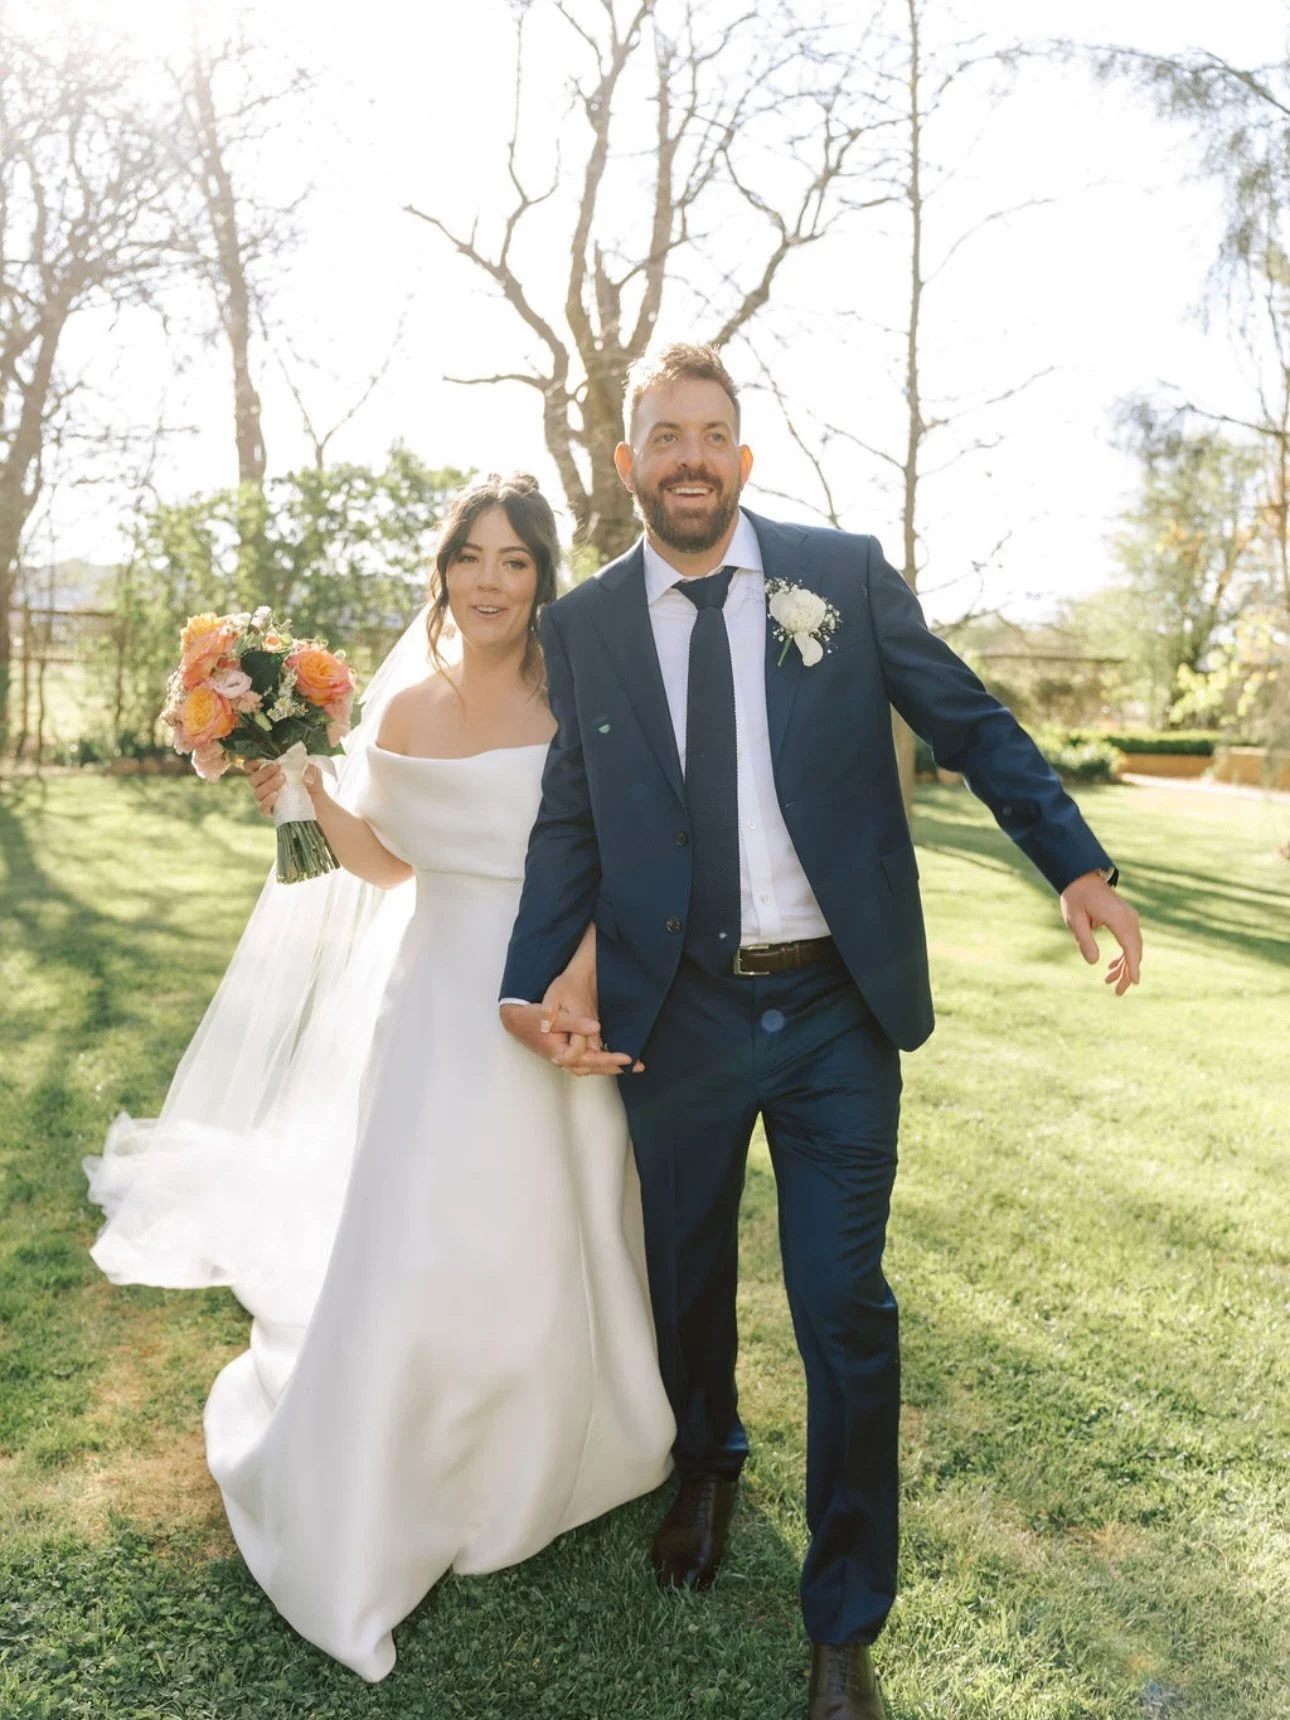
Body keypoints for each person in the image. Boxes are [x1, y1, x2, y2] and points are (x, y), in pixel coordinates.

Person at [499, 345, 1144, 1720]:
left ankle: (842, 1618)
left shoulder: (835, 577)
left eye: (711, 433)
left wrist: (1075, 865)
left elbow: (965, 721)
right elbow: (572, 811)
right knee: (683, 1277)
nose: (688, 455)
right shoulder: (589, 625)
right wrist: (528, 971)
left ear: (741, 455)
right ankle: (706, 1460)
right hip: (674, 1011)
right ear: (628, 464)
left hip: (835, 1009)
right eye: (662, 434)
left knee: (843, 1305)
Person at [85, 474, 674, 1682]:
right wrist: (295, 783)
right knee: (417, 1233)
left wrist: (582, 979)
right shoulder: (404, 705)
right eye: (474, 557)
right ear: (444, 568)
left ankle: (551, 1444)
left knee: (547, 1224)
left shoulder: (579, 698)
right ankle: (391, 1461)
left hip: (552, 987)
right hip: (432, 1002)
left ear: (544, 577)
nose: (492, 581)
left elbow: (620, 850)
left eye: (517, 561)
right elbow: (391, 863)